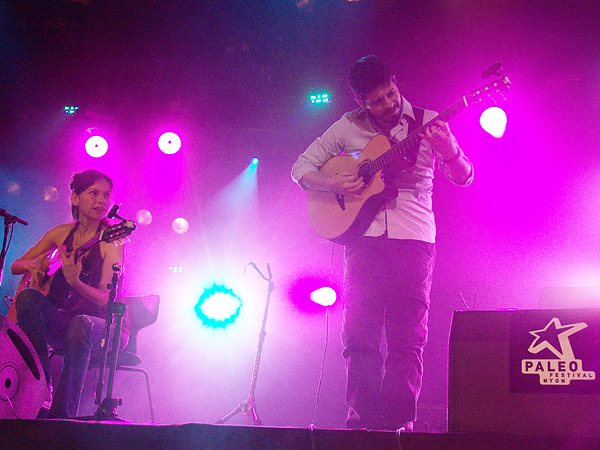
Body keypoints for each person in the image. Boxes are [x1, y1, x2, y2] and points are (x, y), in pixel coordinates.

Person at [291, 55, 473, 431]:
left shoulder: (429, 121)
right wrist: (337, 183)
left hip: (414, 236)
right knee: (359, 333)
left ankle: (398, 423)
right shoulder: (347, 126)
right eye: (377, 100)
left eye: (391, 93)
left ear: (395, 82)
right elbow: (301, 170)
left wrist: (449, 149)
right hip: (363, 238)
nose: (388, 104)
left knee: (407, 336)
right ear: (360, 101)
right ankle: (362, 419)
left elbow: (465, 177)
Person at [10, 169, 128, 419]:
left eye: (106, 195)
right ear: (75, 198)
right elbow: (15, 265)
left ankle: (62, 417)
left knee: (80, 324)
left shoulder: (112, 241)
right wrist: (34, 265)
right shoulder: (61, 233)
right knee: (27, 298)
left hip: (104, 327)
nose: (101, 201)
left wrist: (75, 281)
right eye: (93, 193)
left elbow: (105, 299)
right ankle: (41, 384)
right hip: (66, 322)